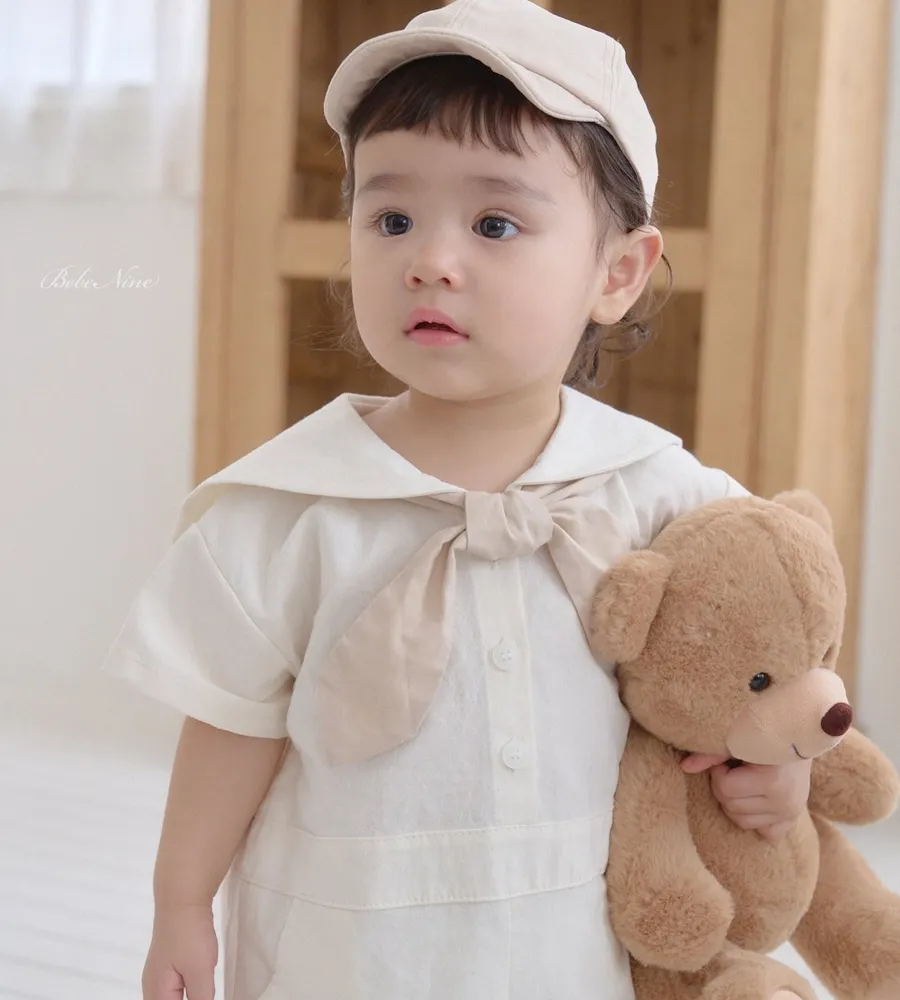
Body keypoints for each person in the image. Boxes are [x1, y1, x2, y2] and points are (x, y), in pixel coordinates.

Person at [102, 2, 813, 998]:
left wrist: (780, 766)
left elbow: (764, 653)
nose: (429, 259)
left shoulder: (660, 490)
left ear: (617, 272)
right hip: (346, 958)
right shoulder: (289, 509)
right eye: (391, 219)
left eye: (495, 224)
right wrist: (180, 899)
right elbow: (231, 726)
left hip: (574, 952)